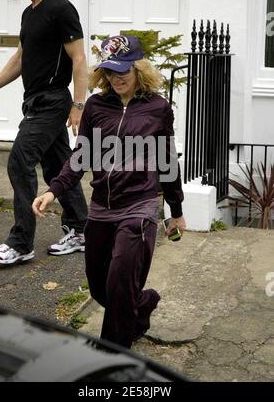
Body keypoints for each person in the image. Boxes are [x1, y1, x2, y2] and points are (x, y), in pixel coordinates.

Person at [32, 35, 186, 348]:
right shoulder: (96, 107)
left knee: (119, 282)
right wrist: (53, 191)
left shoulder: (157, 109)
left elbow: (167, 162)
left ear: (139, 69)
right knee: (102, 288)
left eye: (123, 71)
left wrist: (176, 210)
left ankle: (111, 357)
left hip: (139, 208)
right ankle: (141, 306)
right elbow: (80, 157)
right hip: (101, 208)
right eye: (111, 72)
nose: (117, 78)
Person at [0, 0, 88, 265]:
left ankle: (21, 241)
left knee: (18, 161)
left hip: (53, 102)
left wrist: (79, 104)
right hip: (34, 101)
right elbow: (22, 57)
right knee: (57, 167)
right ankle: (81, 228)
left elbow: (78, 59)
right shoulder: (29, 13)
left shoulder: (61, 9)